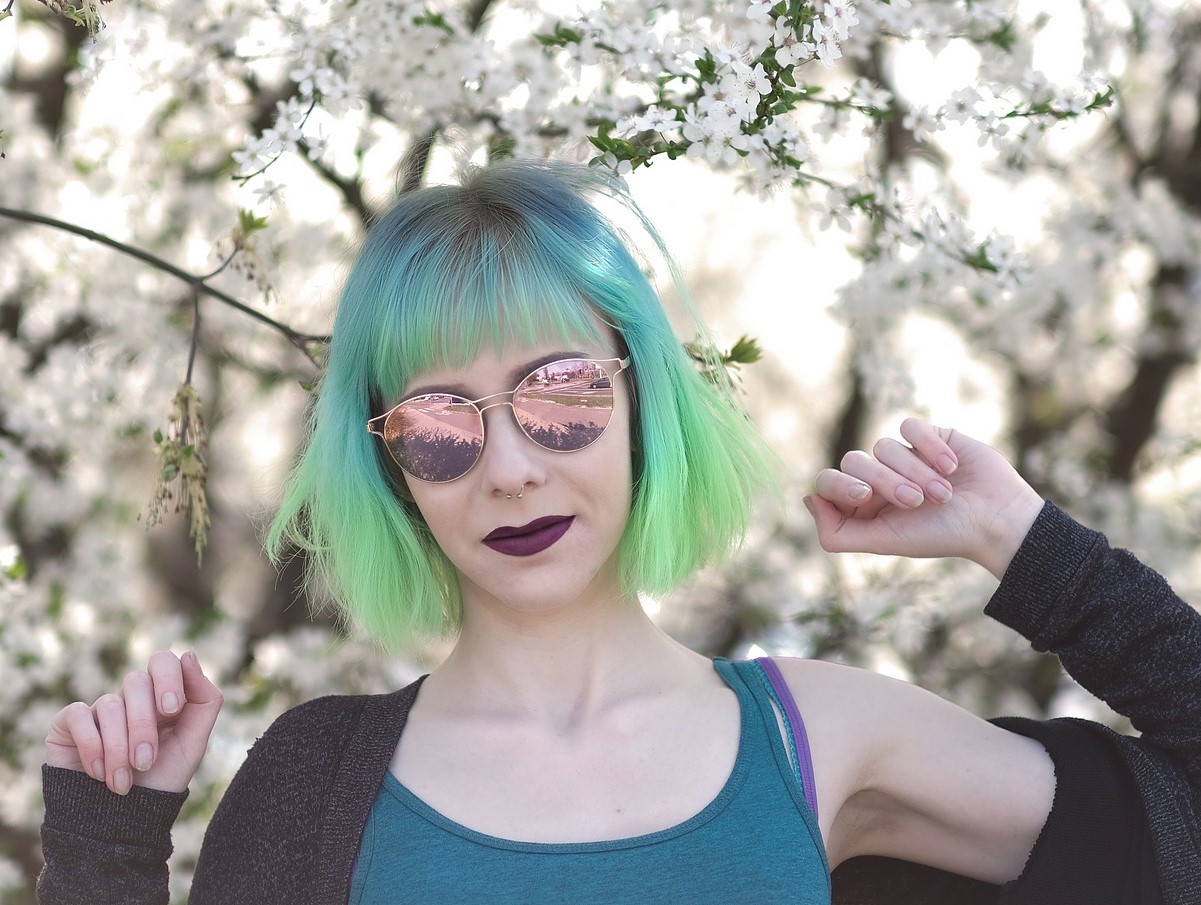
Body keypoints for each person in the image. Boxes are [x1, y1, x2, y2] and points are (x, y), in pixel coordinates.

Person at [38, 160, 1201, 905]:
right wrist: (107, 851)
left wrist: (1028, 544)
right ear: (389, 465)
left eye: (560, 393)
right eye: (441, 423)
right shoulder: (315, 774)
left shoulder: (815, 738)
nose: (508, 465)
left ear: (643, 400)